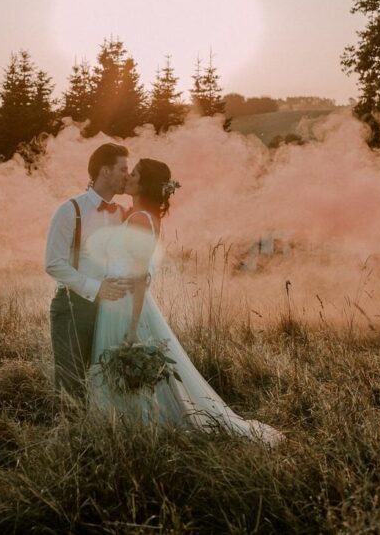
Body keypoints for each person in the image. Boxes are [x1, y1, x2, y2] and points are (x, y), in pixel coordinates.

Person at [88, 158, 284, 446]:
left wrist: (132, 326)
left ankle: (141, 428)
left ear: (145, 184)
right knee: (126, 369)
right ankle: (131, 427)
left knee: (126, 365)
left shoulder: (141, 219)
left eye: (136, 173)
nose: (129, 176)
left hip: (126, 305)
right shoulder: (141, 216)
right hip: (117, 300)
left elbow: (141, 275)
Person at [45, 142, 134, 402]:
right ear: (105, 171)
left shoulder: (122, 214)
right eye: (123, 168)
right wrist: (96, 289)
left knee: (104, 379)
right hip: (73, 307)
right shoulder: (70, 210)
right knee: (71, 383)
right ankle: (69, 437)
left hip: (112, 310)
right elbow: (53, 262)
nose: (126, 175)